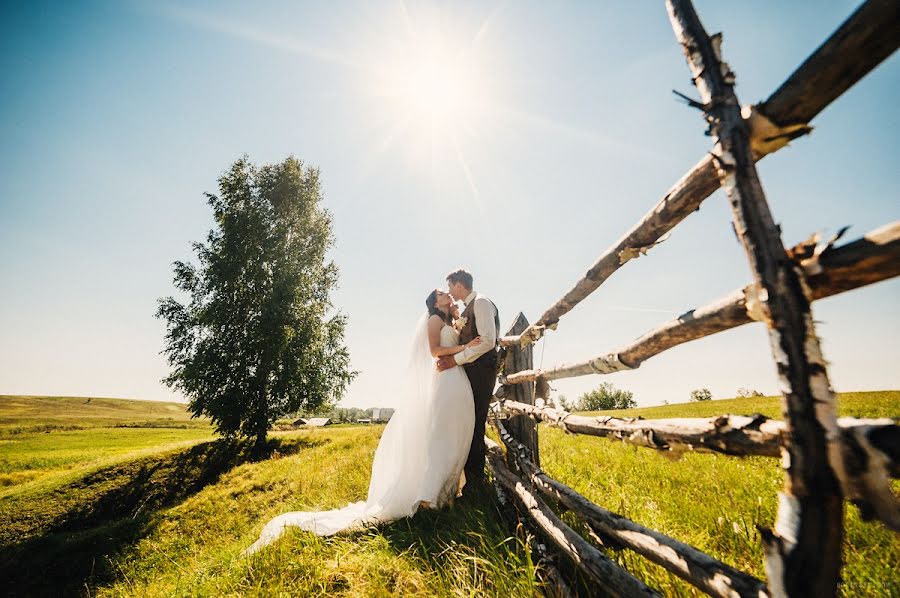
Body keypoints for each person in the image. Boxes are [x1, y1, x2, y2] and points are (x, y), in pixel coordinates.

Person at [243, 288, 480, 555]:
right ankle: (430, 498)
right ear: (435, 302)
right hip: (445, 379)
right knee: (443, 436)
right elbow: (435, 350)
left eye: (448, 292)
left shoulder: (450, 320)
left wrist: (459, 328)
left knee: (454, 433)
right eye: (442, 293)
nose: (448, 294)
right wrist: (463, 346)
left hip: (455, 379)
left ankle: (446, 493)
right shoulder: (435, 320)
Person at [436, 269, 500, 496]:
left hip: (481, 371)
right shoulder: (467, 309)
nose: (451, 292)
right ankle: (466, 480)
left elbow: (487, 342)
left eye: (451, 286)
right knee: (465, 422)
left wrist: (456, 360)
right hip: (470, 372)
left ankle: (475, 485)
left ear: (459, 285)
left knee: (474, 423)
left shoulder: (481, 303)